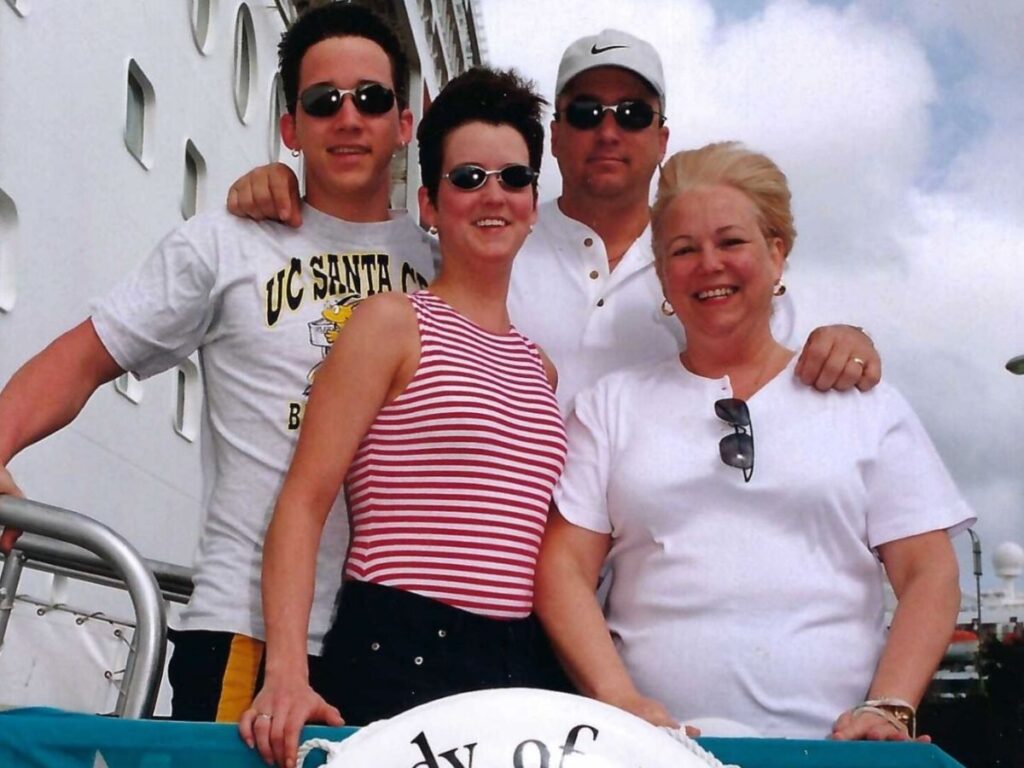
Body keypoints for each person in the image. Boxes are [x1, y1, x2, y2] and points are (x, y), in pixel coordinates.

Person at [0, 3, 434, 721]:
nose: (349, 118)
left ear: (404, 122)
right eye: (324, 102)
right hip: (247, 629)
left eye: (372, 98)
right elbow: (84, 357)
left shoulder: (444, 264)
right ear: (291, 127)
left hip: (400, 637)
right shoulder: (226, 241)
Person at [533, 142, 974, 741]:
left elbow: (929, 571)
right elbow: (561, 569)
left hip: (832, 755)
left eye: (731, 242)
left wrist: (889, 706)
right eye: (683, 250)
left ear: (777, 253)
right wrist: (622, 703)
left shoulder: (866, 402)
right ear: (662, 274)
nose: (708, 263)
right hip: (660, 753)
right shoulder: (609, 408)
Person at [225, 29, 882, 413]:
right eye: (586, 111)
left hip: (641, 584)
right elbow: (363, 240)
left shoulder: (702, 269)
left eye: (631, 115)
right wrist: (282, 186)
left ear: (662, 138)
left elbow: (794, 343)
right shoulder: (486, 241)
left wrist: (847, 336)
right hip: (494, 580)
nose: (607, 130)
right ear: (557, 136)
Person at [238, 67, 568, 767]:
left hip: (520, 668)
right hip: (401, 649)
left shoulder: (541, 370)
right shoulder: (391, 324)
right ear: (429, 201)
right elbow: (303, 503)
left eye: (513, 179)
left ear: (535, 203)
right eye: (468, 176)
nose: (493, 195)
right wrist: (288, 675)